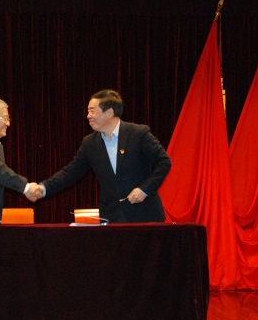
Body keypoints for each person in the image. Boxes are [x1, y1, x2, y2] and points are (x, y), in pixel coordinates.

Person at [37, 89, 171, 223]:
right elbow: (71, 172)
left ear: (109, 112)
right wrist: (43, 188)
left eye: (92, 111)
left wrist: (144, 190)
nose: (88, 116)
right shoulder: (90, 143)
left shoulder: (138, 133)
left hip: (145, 215)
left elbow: (164, 162)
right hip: (111, 217)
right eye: (88, 111)